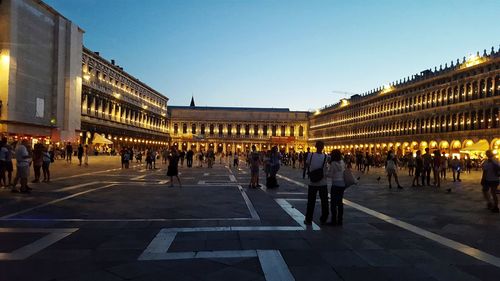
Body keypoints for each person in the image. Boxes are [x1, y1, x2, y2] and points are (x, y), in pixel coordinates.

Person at [304, 141, 328, 225]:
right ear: (323, 147)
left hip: (312, 182)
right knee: (324, 201)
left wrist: (310, 171)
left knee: (311, 201)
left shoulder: (310, 155)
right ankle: (324, 218)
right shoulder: (326, 156)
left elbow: (307, 165)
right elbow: (326, 168)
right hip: (323, 182)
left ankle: (308, 219)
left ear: (315, 146)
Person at [328, 149, 346, 225]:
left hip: (335, 185)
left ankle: (334, 220)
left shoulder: (333, 163)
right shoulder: (342, 162)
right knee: (340, 203)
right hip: (342, 185)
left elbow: (330, 175)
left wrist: (325, 173)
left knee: (333, 203)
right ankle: (340, 220)